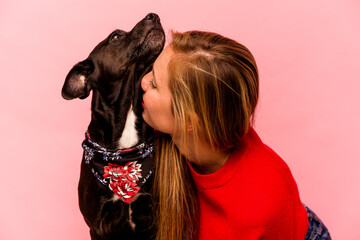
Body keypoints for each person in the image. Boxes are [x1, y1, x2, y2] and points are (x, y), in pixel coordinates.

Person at [141, 30, 331, 240]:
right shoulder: (210, 125)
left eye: (155, 84)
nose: (143, 81)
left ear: (188, 120)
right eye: (151, 71)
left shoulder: (254, 209)